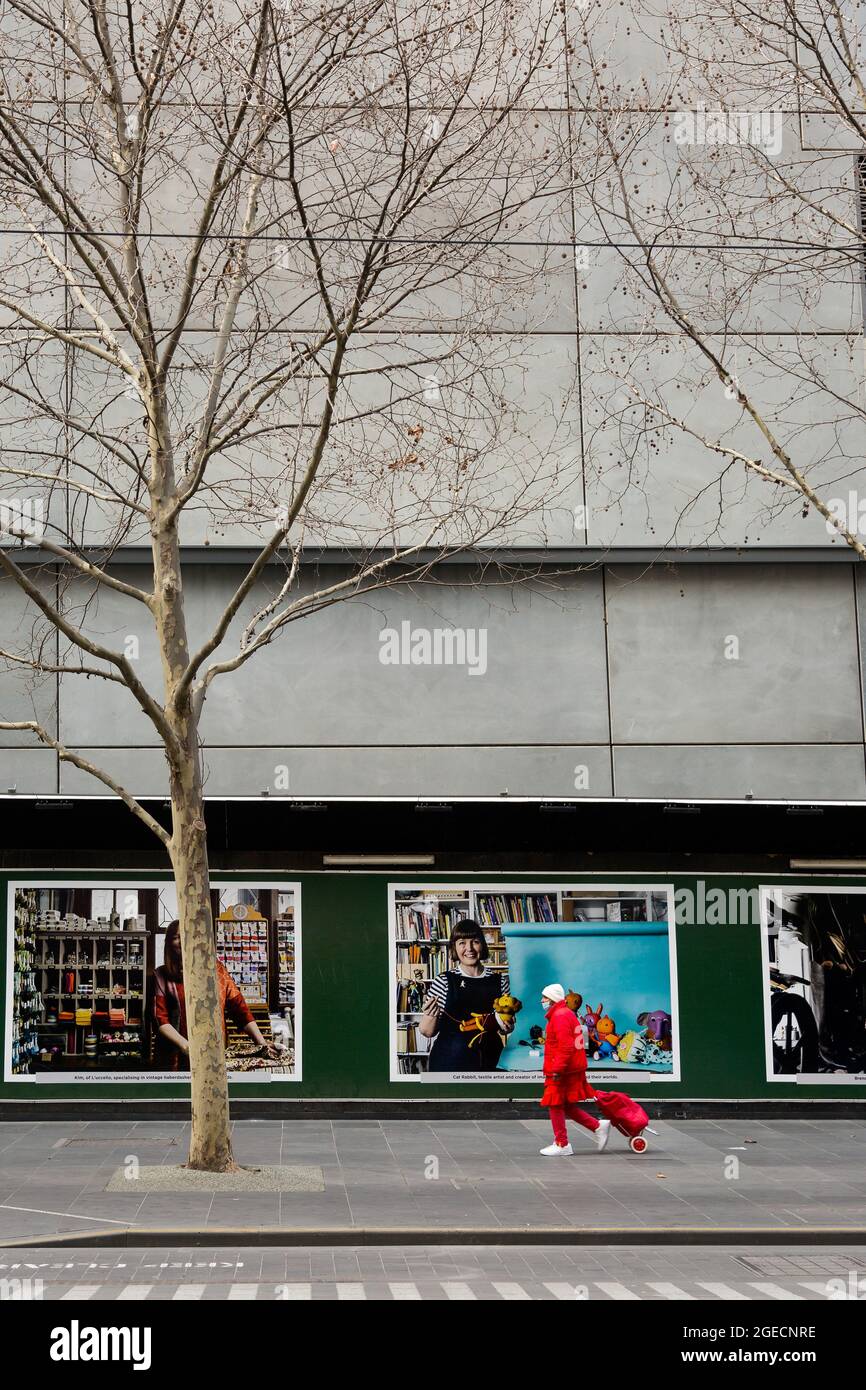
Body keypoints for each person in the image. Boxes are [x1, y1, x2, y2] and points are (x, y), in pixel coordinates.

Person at [153, 920, 279, 1069]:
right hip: (174, 1057)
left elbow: (240, 1008)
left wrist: (261, 1043)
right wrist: (186, 1047)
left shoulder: (217, 970)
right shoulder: (161, 975)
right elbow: (160, 1019)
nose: (183, 941)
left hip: (214, 1053)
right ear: (169, 943)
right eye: (176, 937)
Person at [419, 919, 515, 1071]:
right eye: (462, 942)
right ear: (454, 948)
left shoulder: (499, 981)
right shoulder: (443, 981)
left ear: (482, 945)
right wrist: (430, 1014)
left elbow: (505, 1029)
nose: (469, 948)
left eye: (475, 941)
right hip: (448, 1063)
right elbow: (427, 1031)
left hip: (490, 1062)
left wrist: (507, 1025)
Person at [538, 983, 610, 1156]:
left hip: (562, 1069)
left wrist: (556, 1069)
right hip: (571, 1068)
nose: (542, 1000)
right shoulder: (566, 1014)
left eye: (545, 997)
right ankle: (597, 1126)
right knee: (565, 1105)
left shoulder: (559, 1016)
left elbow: (566, 1047)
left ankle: (562, 1144)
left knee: (554, 1103)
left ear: (553, 999)